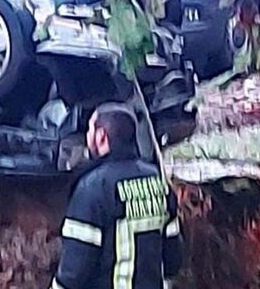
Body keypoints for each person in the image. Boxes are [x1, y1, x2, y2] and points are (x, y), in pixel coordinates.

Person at [51, 103, 182, 289]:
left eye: (90, 130)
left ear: (101, 137)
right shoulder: (158, 181)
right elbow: (172, 259)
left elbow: (74, 271)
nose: (87, 137)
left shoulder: (93, 188)